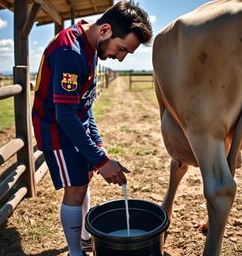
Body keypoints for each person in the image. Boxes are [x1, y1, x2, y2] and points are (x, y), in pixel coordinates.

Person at [32, 1, 152, 255]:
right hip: (56, 131)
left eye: (126, 54)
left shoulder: (91, 47)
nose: (120, 58)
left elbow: (85, 105)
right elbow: (65, 115)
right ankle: (76, 251)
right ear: (106, 30)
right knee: (75, 188)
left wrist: (98, 146)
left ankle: (85, 235)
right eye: (121, 49)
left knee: (83, 181)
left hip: (75, 125)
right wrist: (101, 161)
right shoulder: (70, 53)